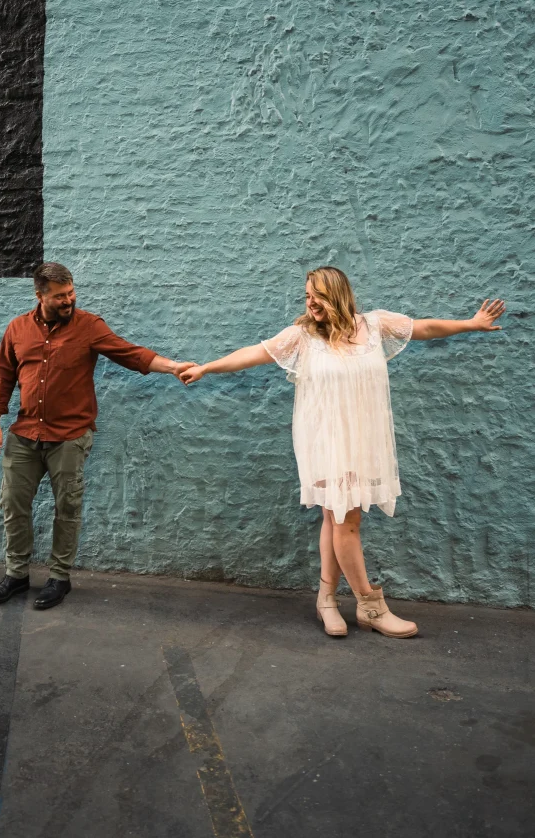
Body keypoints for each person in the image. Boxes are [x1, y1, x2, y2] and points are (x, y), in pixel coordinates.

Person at [179, 266, 505, 638]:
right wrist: (206, 368)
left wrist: (471, 324)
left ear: (337, 294)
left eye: (316, 295)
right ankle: (370, 605)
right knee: (346, 522)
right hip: (325, 442)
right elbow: (256, 353)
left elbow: (424, 328)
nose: (310, 303)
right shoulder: (303, 336)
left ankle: (327, 600)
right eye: (306, 296)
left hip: (363, 441)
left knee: (335, 520)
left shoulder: (375, 325)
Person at [0, 262, 194, 610]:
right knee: (12, 504)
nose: (69, 300)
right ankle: (16, 574)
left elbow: (129, 353)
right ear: (40, 296)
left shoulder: (89, 326)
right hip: (24, 433)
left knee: (68, 507)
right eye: (60, 296)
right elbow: (3, 376)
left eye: (71, 293)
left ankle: (59, 577)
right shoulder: (18, 328)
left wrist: (172, 366)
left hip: (68, 436)